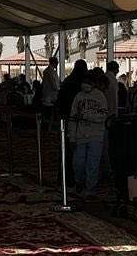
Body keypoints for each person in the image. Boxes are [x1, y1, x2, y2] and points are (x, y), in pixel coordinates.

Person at [68, 69, 110, 199]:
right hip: (80, 135)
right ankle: (79, 182)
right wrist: (72, 137)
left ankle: (91, 189)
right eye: (84, 82)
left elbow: (103, 115)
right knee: (78, 163)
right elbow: (72, 118)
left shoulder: (100, 96)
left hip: (96, 135)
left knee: (93, 164)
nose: (86, 84)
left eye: (89, 82)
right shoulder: (78, 97)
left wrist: (86, 116)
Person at [39, 55, 60, 127]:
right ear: (54, 63)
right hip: (51, 95)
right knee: (50, 112)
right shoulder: (51, 72)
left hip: (47, 94)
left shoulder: (46, 71)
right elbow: (54, 84)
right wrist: (58, 88)